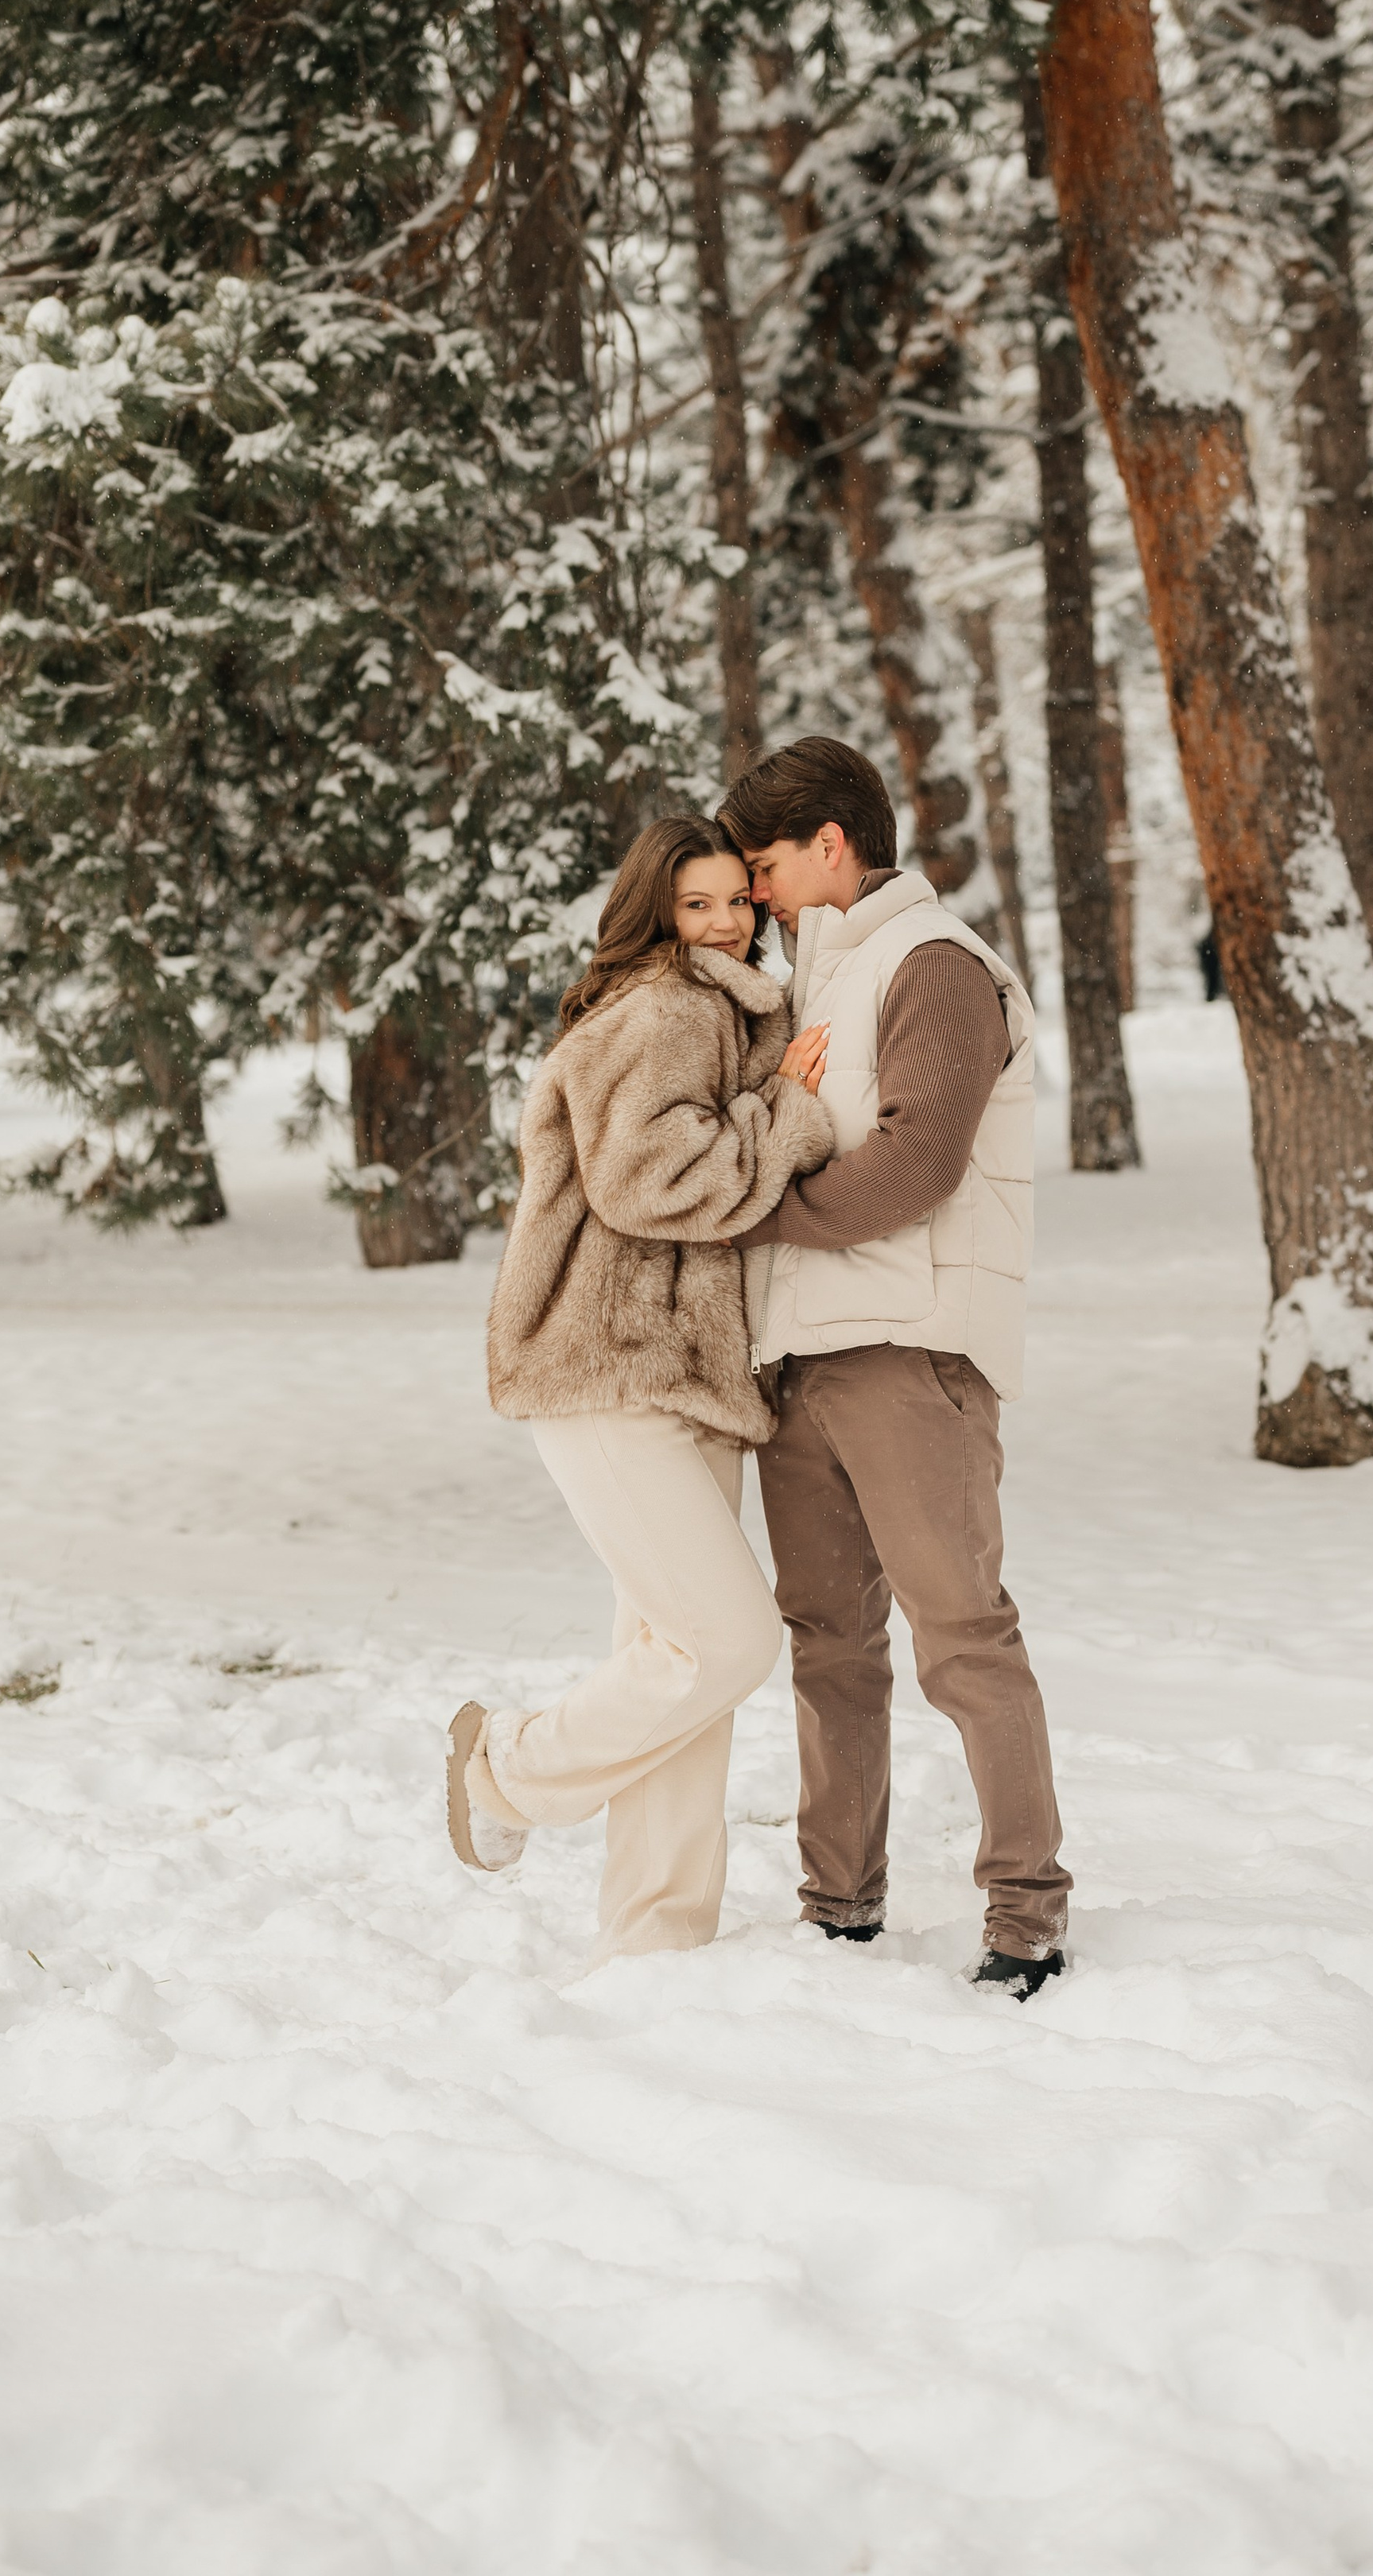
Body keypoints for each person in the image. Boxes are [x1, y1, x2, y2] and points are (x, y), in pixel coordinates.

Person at [719, 737, 1072, 2000]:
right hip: (802, 1361)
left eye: (766, 865)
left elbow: (917, 1165)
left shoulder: (937, 967)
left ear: (831, 844)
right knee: (828, 1642)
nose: (754, 893)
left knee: (962, 1640)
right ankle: (838, 1904)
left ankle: (1026, 1913)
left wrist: (753, 1209)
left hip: (911, 1353)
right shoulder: (816, 983)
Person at [450, 817, 832, 1961]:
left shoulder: (721, 1007)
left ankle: (655, 1942)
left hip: (688, 1374)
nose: (726, 922)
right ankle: (504, 1771)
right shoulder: (666, 1009)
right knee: (729, 1643)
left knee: (675, 1665)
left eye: (737, 902)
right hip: (608, 1367)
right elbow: (648, 1180)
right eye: (697, 905)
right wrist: (789, 1121)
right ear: (655, 915)